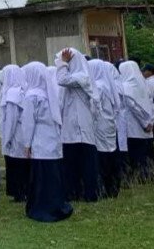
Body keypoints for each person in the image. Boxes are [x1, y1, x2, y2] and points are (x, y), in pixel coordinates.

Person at [20, 62, 73, 223]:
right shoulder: (49, 93)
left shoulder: (32, 96)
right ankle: (56, 205)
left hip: (40, 139)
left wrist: (26, 144)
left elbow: (28, 123)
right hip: (52, 138)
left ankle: (43, 208)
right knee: (52, 176)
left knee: (42, 177)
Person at [55, 47, 101, 202]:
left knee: (85, 162)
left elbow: (62, 80)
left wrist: (63, 64)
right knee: (71, 163)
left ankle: (89, 193)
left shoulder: (81, 76)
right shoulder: (75, 77)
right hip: (71, 128)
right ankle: (73, 192)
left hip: (81, 128)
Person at [119, 61, 154, 184]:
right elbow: (152, 106)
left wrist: (144, 123)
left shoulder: (125, 87)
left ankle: (140, 177)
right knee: (148, 152)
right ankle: (151, 175)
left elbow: (133, 107)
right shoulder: (145, 85)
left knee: (136, 154)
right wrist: (150, 122)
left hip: (134, 127)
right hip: (147, 128)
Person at [89, 59, 120, 199]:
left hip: (99, 124)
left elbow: (94, 109)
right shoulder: (108, 85)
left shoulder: (97, 86)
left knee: (102, 157)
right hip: (109, 123)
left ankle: (105, 187)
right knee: (111, 153)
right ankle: (114, 186)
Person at [0, 65, 29, 203]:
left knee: (17, 164)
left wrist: (6, 139)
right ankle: (25, 191)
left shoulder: (12, 94)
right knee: (24, 163)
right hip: (23, 133)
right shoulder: (23, 90)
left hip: (16, 134)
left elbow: (11, 119)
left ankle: (19, 193)